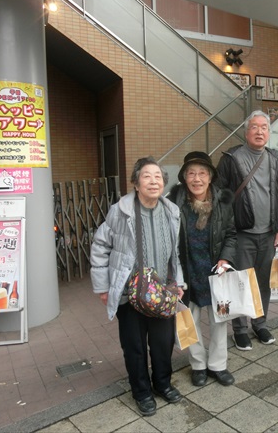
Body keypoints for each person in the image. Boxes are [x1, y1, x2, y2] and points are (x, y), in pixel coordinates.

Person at [90, 157, 185, 416]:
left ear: (164, 183)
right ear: (135, 182)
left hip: (162, 292)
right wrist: (103, 287)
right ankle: (141, 392)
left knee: (163, 343)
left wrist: (178, 282)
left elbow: (175, 253)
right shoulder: (121, 211)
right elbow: (100, 246)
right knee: (134, 347)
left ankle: (163, 384)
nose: (153, 181)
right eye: (146, 176)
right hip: (129, 292)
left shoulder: (171, 211)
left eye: (158, 176)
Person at [216, 110, 278, 351]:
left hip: (268, 233)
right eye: (254, 127)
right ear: (246, 132)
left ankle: (260, 323)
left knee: (262, 282)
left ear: (269, 132)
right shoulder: (231, 158)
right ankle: (239, 330)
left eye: (264, 127)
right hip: (240, 234)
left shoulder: (276, 160)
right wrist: (225, 230)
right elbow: (220, 196)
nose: (259, 131)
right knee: (240, 282)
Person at [167, 151, 237, 387]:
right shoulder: (174, 202)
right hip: (187, 270)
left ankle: (218, 365)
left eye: (202, 173)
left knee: (219, 320)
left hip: (216, 270)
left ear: (210, 176)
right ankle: (198, 364)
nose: (197, 179)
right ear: (184, 177)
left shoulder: (223, 201)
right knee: (190, 319)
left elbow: (231, 234)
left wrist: (225, 258)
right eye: (191, 173)